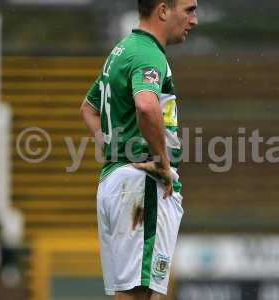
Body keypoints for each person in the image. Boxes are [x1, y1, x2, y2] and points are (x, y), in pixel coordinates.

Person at [81, 0, 198, 299]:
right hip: (141, 185)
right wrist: (161, 163)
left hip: (116, 181)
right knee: (143, 293)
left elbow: (88, 108)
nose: (194, 20)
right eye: (189, 9)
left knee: (131, 293)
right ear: (162, 10)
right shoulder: (147, 52)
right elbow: (146, 106)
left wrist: (114, 152)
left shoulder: (122, 50)